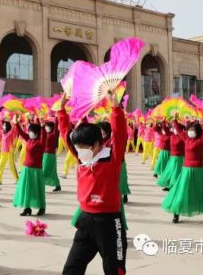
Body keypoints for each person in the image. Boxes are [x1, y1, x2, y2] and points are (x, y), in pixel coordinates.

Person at [59, 91, 127, 275]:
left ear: (98, 144)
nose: (80, 151)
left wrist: (116, 108)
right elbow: (66, 135)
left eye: (84, 147)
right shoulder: (82, 158)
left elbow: (120, 135)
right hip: (86, 220)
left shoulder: (111, 158)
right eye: (78, 147)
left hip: (110, 222)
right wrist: (61, 109)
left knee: (115, 270)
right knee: (71, 269)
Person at [162, 115, 203, 223]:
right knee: (181, 191)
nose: (190, 131)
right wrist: (174, 119)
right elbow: (177, 129)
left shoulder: (202, 139)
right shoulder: (186, 138)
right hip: (186, 169)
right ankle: (176, 213)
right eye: (189, 129)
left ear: (198, 131)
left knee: (202, 192)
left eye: (193, 130)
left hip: (199, 170)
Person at [12, 115, 47, 216]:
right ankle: (27, 208)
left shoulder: (40, 142)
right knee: (26, 189)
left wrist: (43, 126)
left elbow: (43, 135)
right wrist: (17, 123)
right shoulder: (29, 139)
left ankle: (42, 207)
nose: (29, 132)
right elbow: (22, 133)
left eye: (31, 131)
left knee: (37, 189)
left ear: (36, 133)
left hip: (36, 170)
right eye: (29, 131)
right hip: (26, 168)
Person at [42, 119, 62, 192]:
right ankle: (57, 185)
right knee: (52, 170)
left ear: (50, 127)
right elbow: (41, 128)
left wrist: (57, 117)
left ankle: (42, 185)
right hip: (45, 154)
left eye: (47, 126)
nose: (45, 128)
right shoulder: (46, 133)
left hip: (50, 155)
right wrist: (40, 120)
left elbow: (56, 126)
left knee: (45, 170)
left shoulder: (54, 133)